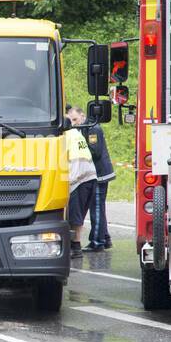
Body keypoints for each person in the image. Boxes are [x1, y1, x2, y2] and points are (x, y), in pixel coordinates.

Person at [65, 104, 97, 258]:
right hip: (89, 176)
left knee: (75, 215)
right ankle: (75, 245)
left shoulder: (66, 136)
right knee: (79, 214)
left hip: (78, 178)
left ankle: (75, 247)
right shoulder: (76, 134)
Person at [80, 109, 115, 250]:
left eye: (76, 120)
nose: (74, 123)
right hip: (97, 173)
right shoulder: (87, 128)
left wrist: (80, 149)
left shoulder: (92, 129)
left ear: (83, 116)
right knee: (99, 207)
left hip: (99, 174)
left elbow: (95, 151)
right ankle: (105, 237)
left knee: (97, 208)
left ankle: (97, 241)